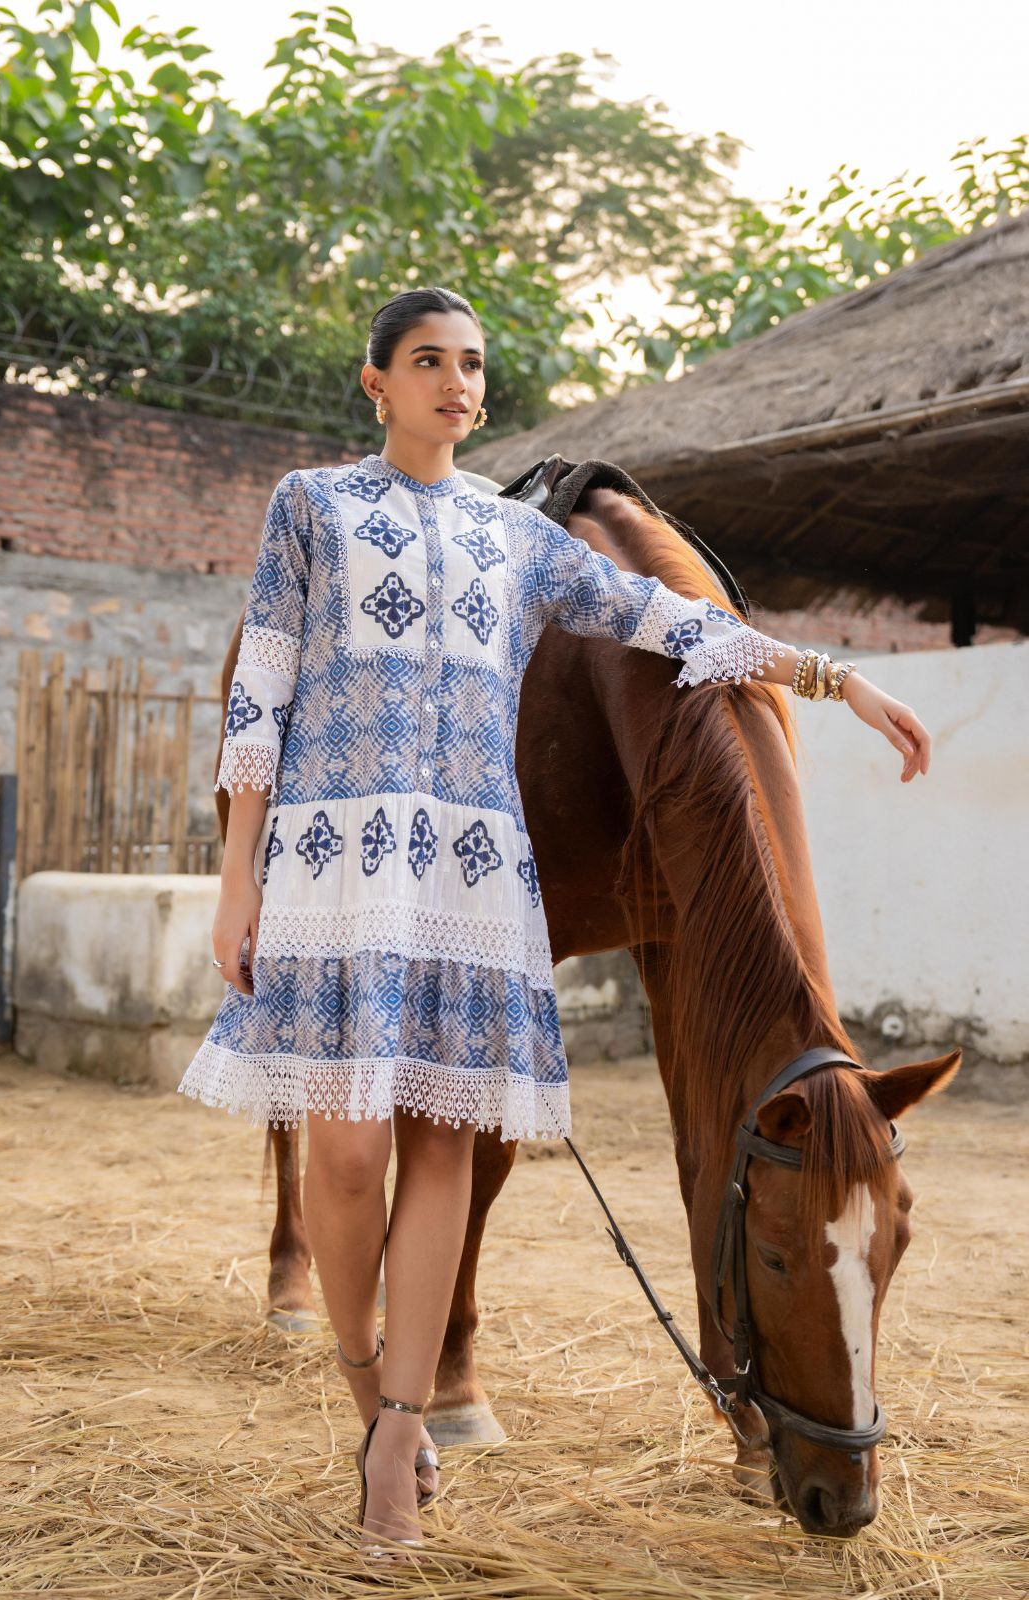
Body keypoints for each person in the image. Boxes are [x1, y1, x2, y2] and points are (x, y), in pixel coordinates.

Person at [177, 286, 931, 1558]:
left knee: (446, 1159)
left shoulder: (515, 540)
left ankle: (397, 1446)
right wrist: (238, 868)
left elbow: (669, 623)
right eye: (428, 362)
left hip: (472, 874)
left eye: (472, 365)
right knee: (350, 1162)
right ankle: (374, 1395)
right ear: (378, 383)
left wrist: (834, 676)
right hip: (335, 863)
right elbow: (263, 687)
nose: (456, 384)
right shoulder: (309, 505)